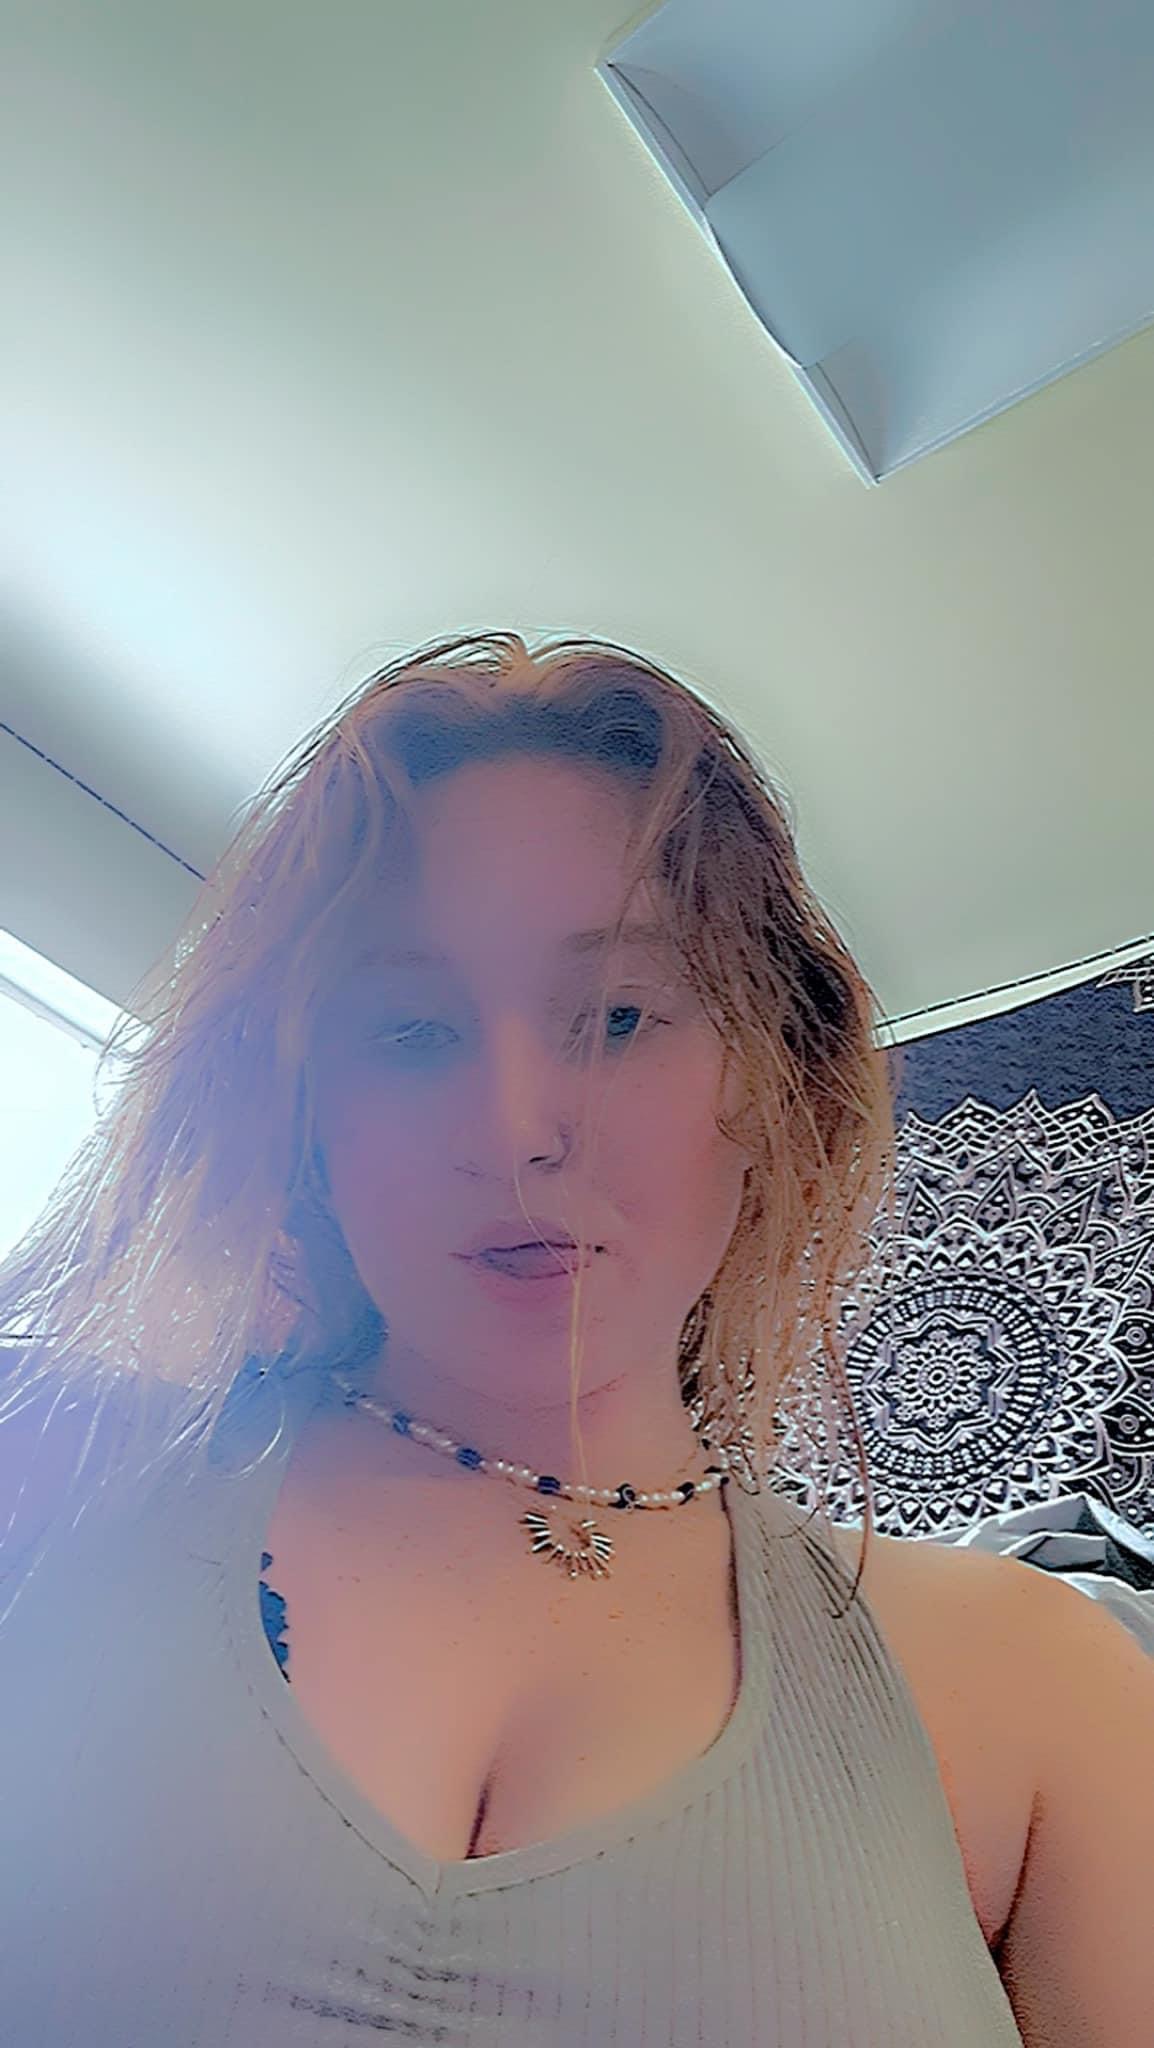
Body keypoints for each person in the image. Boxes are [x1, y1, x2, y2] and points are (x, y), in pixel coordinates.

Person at [0, 631, 1027, 2043]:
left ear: (771, 1078)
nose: (510, 1129)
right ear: (307, 1118)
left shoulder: (1035, 1682)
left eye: (616, 1016)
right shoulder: (46, 1473)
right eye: (410, 1033)